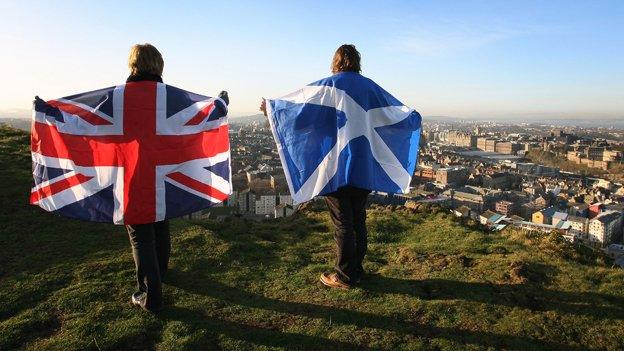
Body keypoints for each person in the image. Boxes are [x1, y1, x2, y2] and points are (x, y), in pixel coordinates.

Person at [126, 43, 229, 311]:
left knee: (140, 235)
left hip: (134, 176)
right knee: (160, 224)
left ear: (133, 65)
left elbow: (86, 120)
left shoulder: (120, 98)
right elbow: (197, 116)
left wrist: (50, 113)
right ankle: (161, 272)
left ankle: (151, 296)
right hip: (165, 175)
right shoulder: (169, 99)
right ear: (158, 65)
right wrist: (218, 104)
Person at [259, 44, 371, 290]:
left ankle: (345, 276)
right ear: (357, 62)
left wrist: (271, 111)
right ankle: (357, 269)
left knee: (343, 222)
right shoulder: (369, 88)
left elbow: (300, 119)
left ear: (336, 62)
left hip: (336, 166)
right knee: (358, 220)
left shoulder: (327, 88)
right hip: (363, 165)